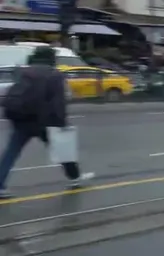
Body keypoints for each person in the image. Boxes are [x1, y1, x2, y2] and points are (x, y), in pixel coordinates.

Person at [0, 46, 94, 198]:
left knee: (10, 153)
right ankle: (75, 178)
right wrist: (61, 123)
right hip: (45, 121)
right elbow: (58, 103)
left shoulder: (24, 71)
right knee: (62, 150)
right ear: (51, 58)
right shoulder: (54, 74)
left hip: (21, 119)